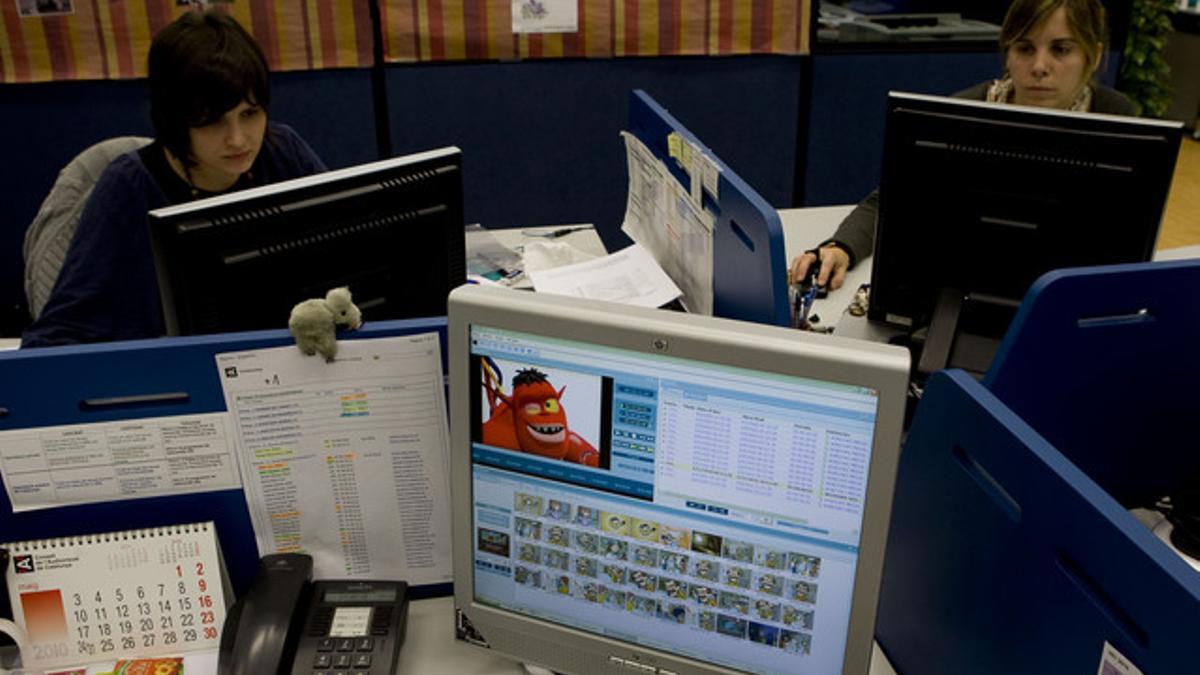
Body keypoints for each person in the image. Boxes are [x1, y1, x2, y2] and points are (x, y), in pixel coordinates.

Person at [21, 10, 326, 348]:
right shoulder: (130, 186)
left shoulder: (283, 153)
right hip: (172, 376)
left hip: (283, 362)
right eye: (212, 122)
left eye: (249, 114)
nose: (239, 139)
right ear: (175, 121)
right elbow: (63, 331)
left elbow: (350, 264)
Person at [789, 0, 1137, 291]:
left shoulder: (1117, 117)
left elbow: (1125, 228)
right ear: (1007, 53)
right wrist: (841, 247)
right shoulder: (965, 112)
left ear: (1093, 55)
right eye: (1025, 48)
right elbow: (894, 199)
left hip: (1064, 291)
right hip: (967, 287)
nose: (1039, 67)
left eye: (1061, 49)